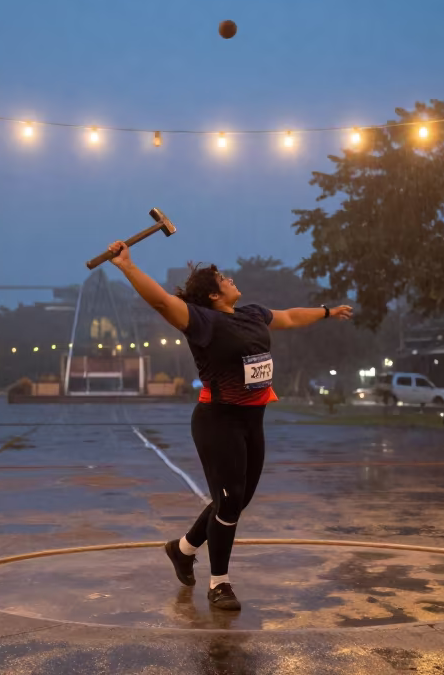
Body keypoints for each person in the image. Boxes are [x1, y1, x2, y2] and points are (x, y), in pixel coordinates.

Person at [107, 241, 353, 610]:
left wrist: (327, 311)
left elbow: (289, 317)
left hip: (253, 421)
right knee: (229, 502)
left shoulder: (252, 314)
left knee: (237, 500)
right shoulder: (202, 322)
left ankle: (182, 549)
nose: (230, 279)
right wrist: (127, 266)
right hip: (218, 421)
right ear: (213, 294)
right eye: (223, 278)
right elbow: (161, 302)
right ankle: (219, 584)